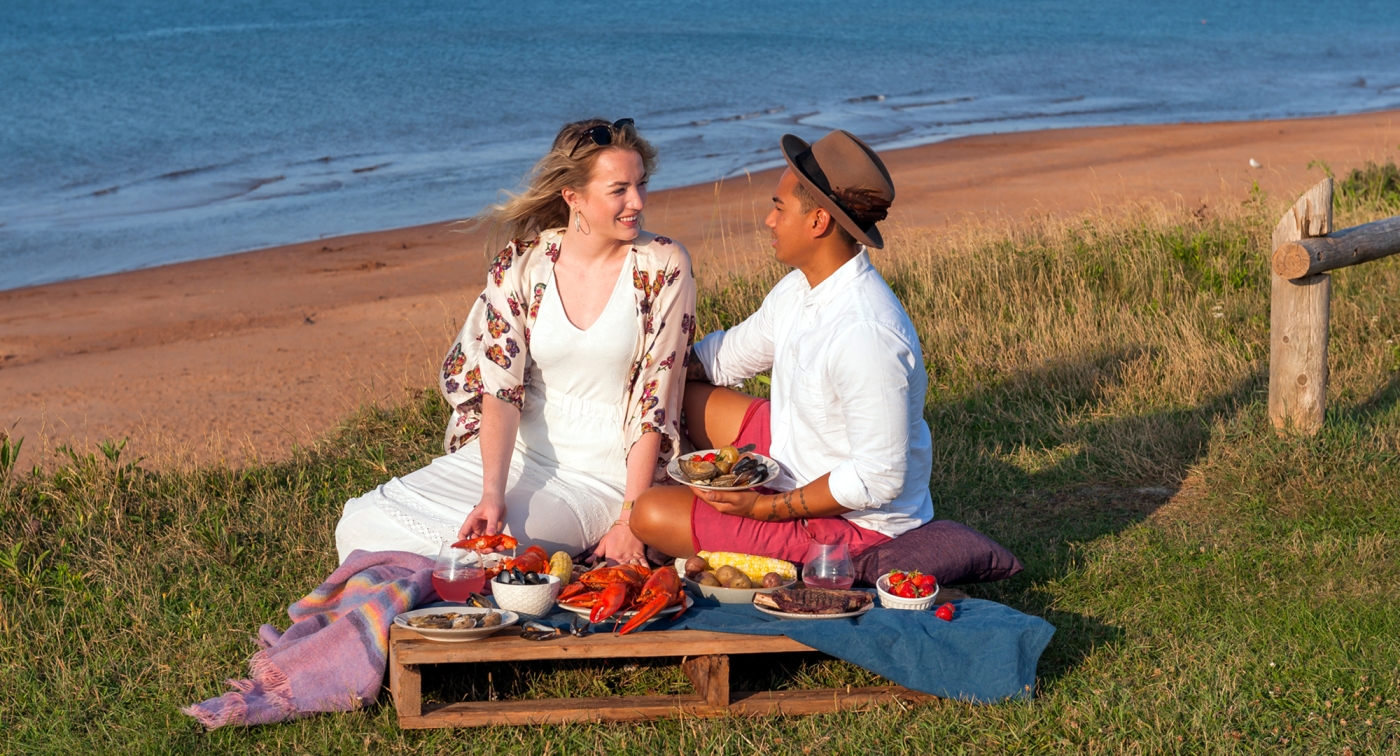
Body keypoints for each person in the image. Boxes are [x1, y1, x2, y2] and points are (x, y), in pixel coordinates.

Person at [335, 118, 696, 566]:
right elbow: (501, 391)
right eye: (619, 189)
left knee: (474, 557)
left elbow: (653, 404)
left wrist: (629, 518)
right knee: (361, 522)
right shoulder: (521, 264)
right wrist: (492, 494)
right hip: (519, 456)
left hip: (600, 476)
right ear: (573, 197)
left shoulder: (662, 264)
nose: (637, 202)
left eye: (641, 184)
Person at [629, 130, 932, 562]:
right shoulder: (800, 288)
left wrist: (764, 508)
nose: (769, 221)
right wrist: (642, 371)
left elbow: (877, 479)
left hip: (855, 522)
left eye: (778, 207)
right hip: (797, 452)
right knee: (687, 397)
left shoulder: (866, 333)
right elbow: (722, 359)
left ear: (818, 222)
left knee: (650, 513)